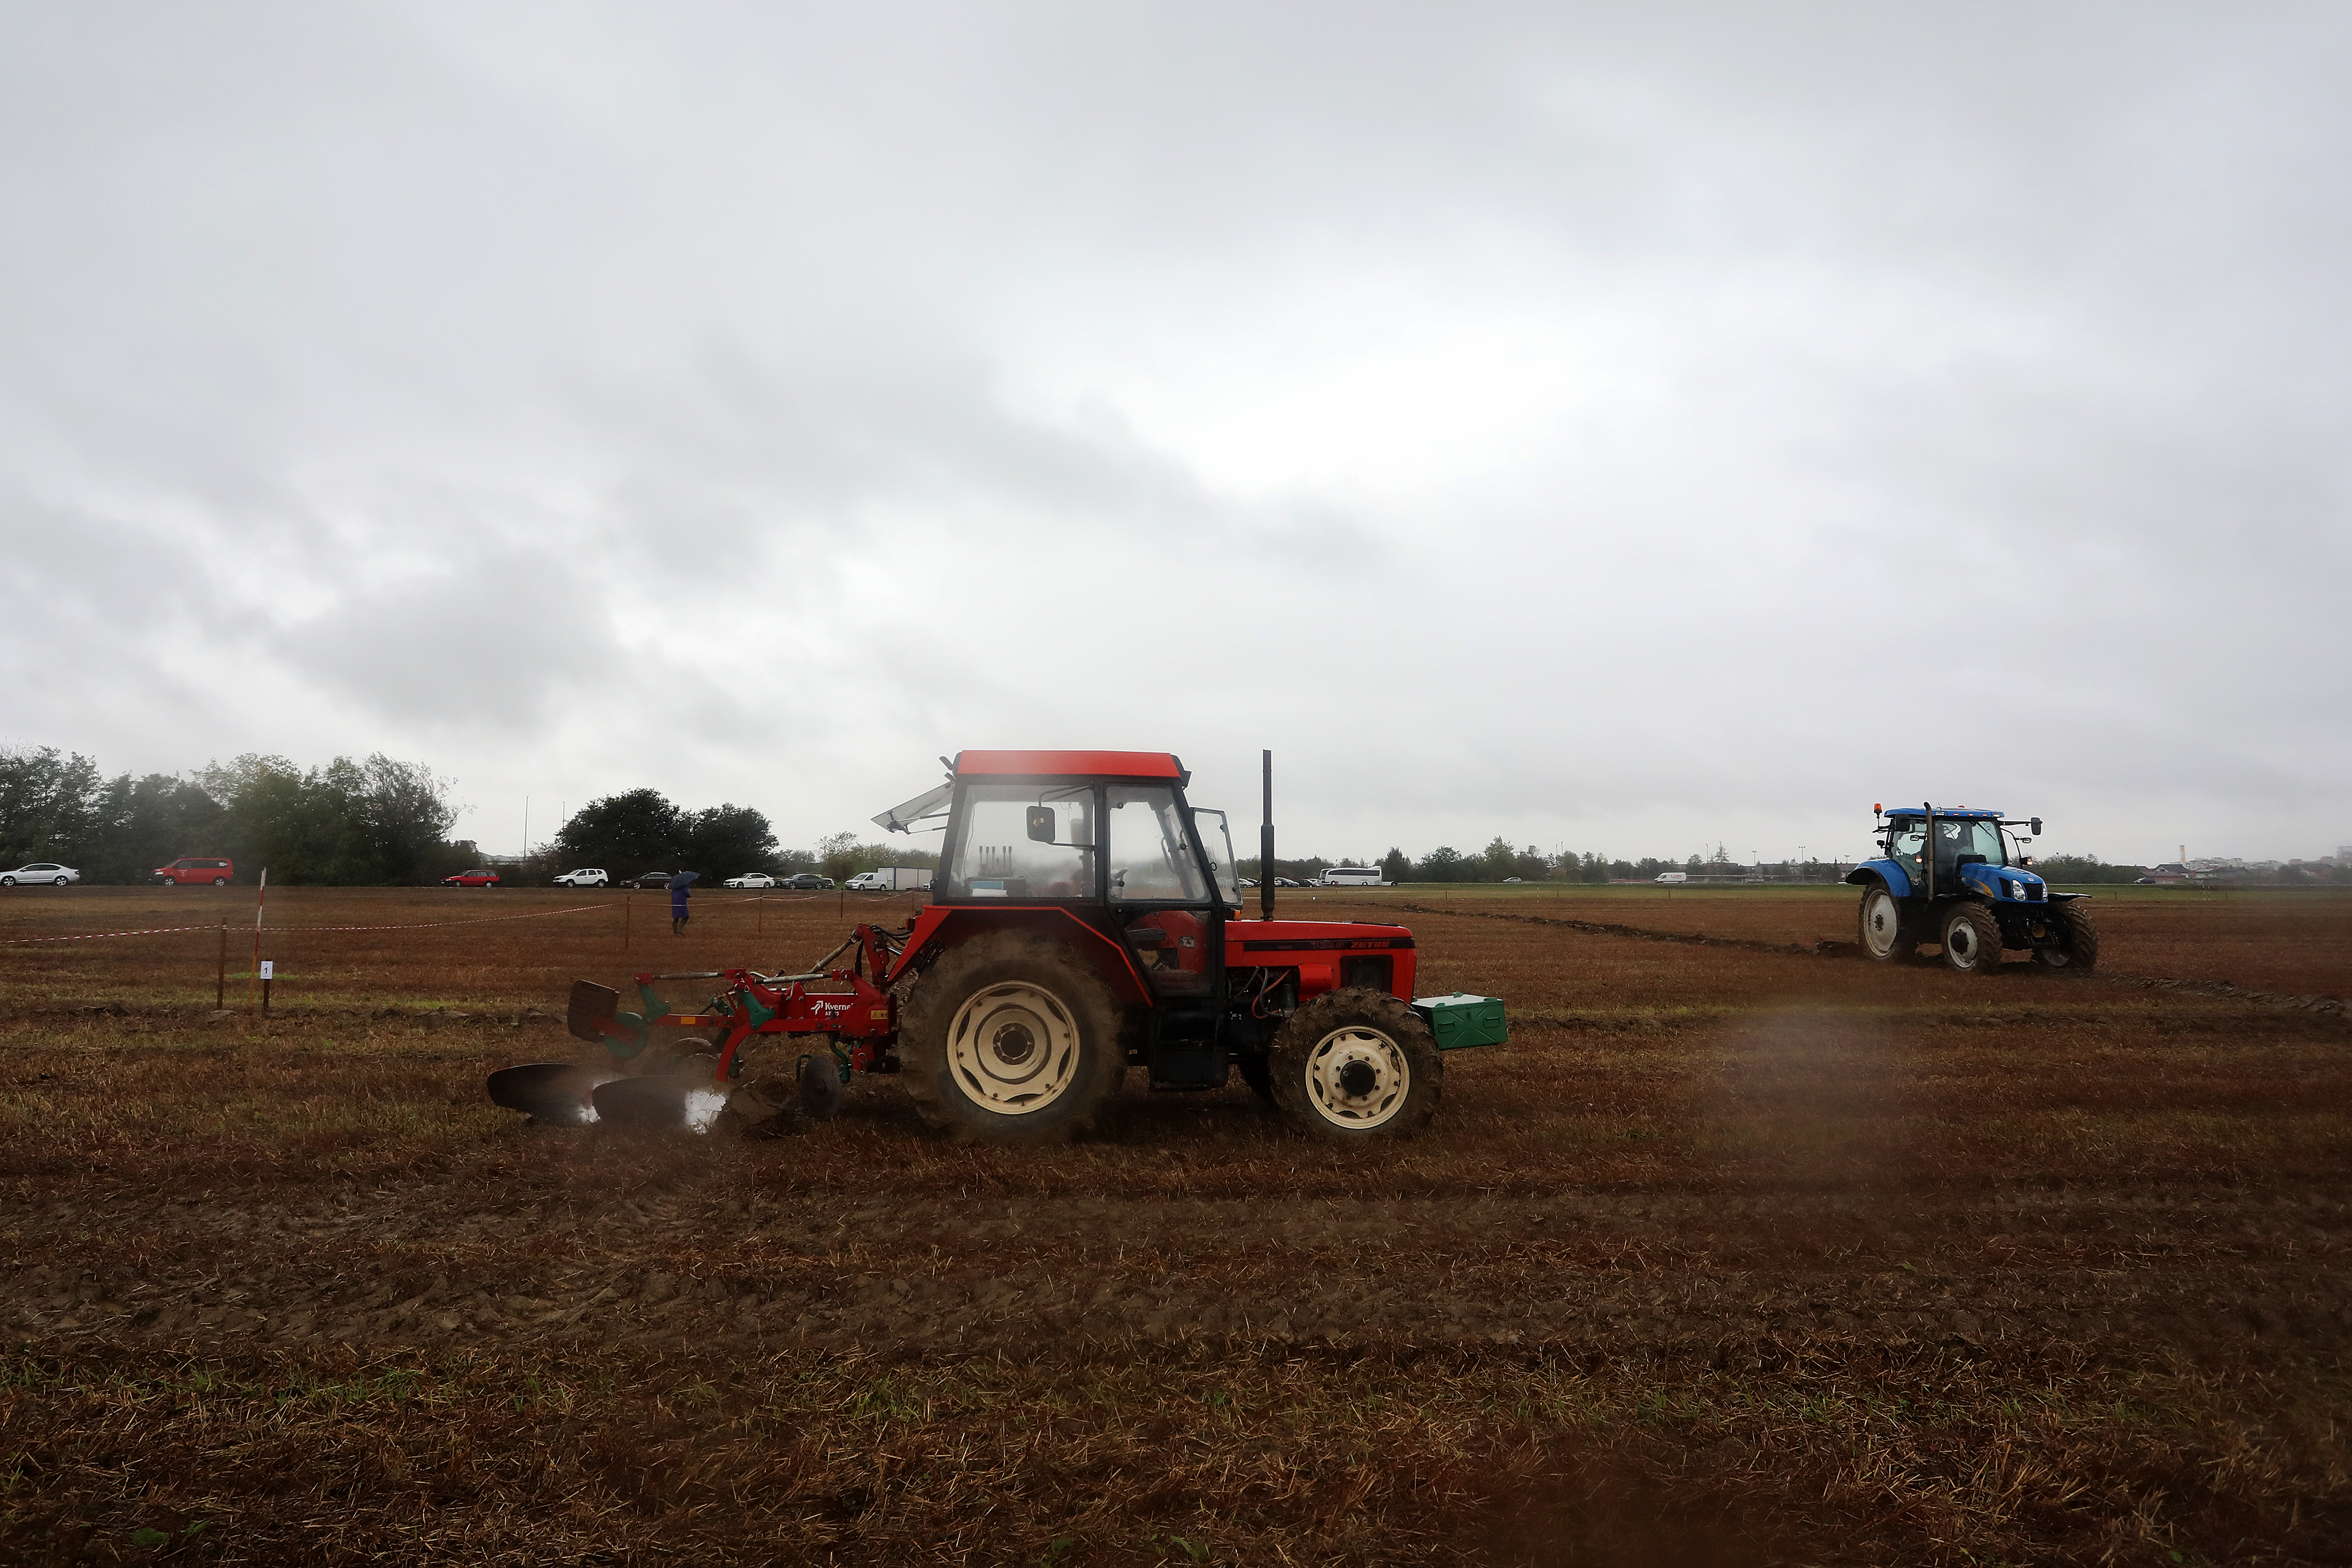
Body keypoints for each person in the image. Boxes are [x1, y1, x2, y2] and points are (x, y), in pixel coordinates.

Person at [669, 870, 698, 934]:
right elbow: (687, 894)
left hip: (675, 903)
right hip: (682, 902)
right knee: (686, 916)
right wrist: (689, 895)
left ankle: (675, 932)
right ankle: (680, 930)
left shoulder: (674, 887)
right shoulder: (684, 886)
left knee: (676, 917)